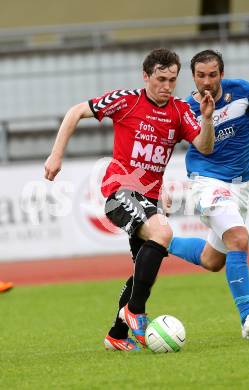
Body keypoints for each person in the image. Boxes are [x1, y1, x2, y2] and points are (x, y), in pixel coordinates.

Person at [44, 48, 215, 351]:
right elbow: (75, 112)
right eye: (160, 79)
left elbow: (204, 146)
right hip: (118, 192)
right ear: (146, 76)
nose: (166, 86)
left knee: (143, 266)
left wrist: (207, 119)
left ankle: (117, 335)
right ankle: (135, 311)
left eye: (172, 80)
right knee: (162, 233)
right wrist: (56, 155)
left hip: (149, 198)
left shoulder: (179, 111)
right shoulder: (126, 101)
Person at [167, 49, 249, 339]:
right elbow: (165, 146)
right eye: (200, 75)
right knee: (239, 238)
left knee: (212, 260)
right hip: (207, 182)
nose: (206, 81)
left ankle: (159, 241)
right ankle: (247, 318)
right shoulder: (184, 109)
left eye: (212, 74)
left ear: (221, 73)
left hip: (242, 185)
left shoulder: (241, 91)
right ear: (192, 77)